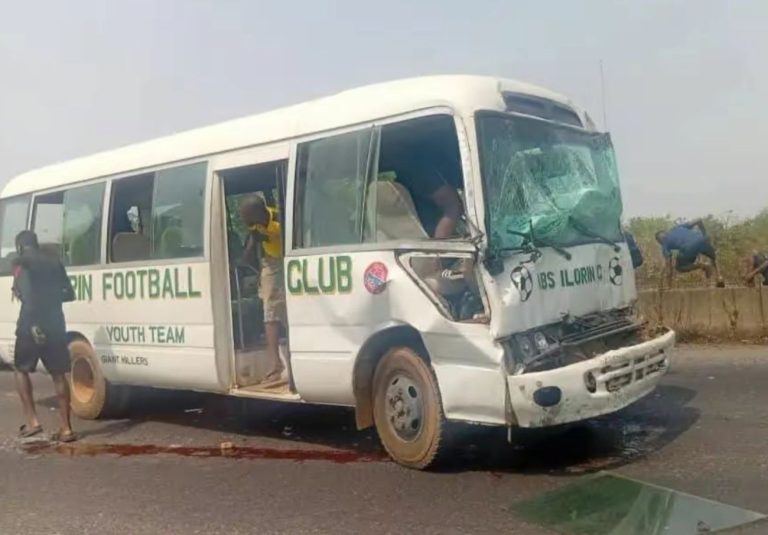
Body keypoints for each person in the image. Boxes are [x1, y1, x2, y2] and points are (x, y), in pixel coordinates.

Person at [11, 230, 76, 442]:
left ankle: (33, 422)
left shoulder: (21, 263)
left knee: (21, 370)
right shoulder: (54, 262)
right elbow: (70, 294)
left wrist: (34, 325)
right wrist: (50, 298)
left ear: (20, 247)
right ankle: (66, 429)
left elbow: (28, 295)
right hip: (55, 323)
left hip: (31, 325)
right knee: (59, 375)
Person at [239, 195, 286, 386]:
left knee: (275, 312)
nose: (244, 220)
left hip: (285, 260)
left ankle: (278, 365)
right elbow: (253, 243)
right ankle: (276, 363)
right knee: (270, 311)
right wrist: (244, 261)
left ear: (258, 212)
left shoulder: (279, 219)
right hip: (270, 262)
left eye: (246, 215)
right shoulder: (254, 224)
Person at [655, 219, 724, 287]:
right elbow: (698, 220)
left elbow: (669, 268)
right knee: (713, 256)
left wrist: (669, 285)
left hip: (687, 250)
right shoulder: (677, 228)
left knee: (679, 267)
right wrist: (704, 234)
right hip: (701, 239)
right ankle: (719, 277)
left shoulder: (665, 245)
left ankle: (702, 265)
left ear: (659, 242)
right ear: (666, 232)